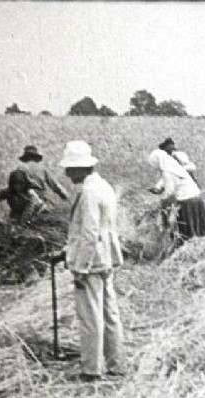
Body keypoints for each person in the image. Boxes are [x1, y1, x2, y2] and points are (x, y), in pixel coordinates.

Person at [59, 140, 124, 381]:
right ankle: (116, 363)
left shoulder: (87, 192)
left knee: (90, 316)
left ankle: (91, 369)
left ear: (80, 168)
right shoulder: (103, 186)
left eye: (69, 169)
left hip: (92, 261)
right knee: (109, 312)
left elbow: (89, 233)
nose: (66, 173)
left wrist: (79, 267)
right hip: (106, 257)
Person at [148, 146, 205, 243]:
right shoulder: (175, 166)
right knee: (200, 231)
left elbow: (170, 190)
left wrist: (162, 199)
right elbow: (168, 181)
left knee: (187, 232)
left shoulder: (167, 171)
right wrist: (158, 188)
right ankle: (203, 244)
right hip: (196, 198)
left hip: (187, 201)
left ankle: (189, 247)